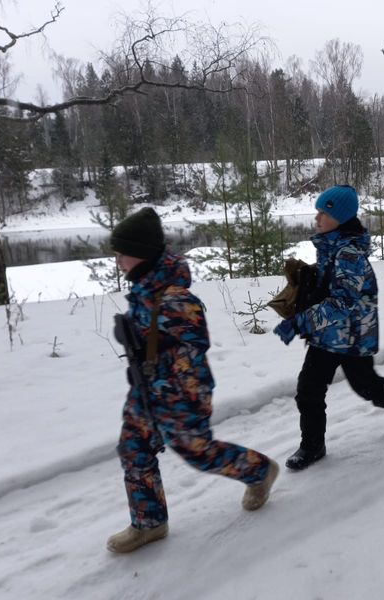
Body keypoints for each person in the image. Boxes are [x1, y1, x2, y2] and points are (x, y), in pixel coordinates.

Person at [106, 207, 279, 553]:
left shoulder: (176, 299)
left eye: (122, 254)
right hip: (145, 389)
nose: (119, 262)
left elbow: (192, 346)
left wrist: (150, 348)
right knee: (133, 448)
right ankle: (149, 523)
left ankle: (259, 471)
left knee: (198, 453)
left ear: (141, 254)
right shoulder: (145, 288)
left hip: (178, 393)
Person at [273, 185, 384, 471]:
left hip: (353, 338)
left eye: (323, 213)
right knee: (308, 390)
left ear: (340, 218)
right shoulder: (331, 246)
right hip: (325, 336)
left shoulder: (350, 254)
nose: (316, 219)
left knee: (367, 387)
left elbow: (342, 302)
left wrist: (300, 322)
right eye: (316, 212)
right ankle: (313, 445)